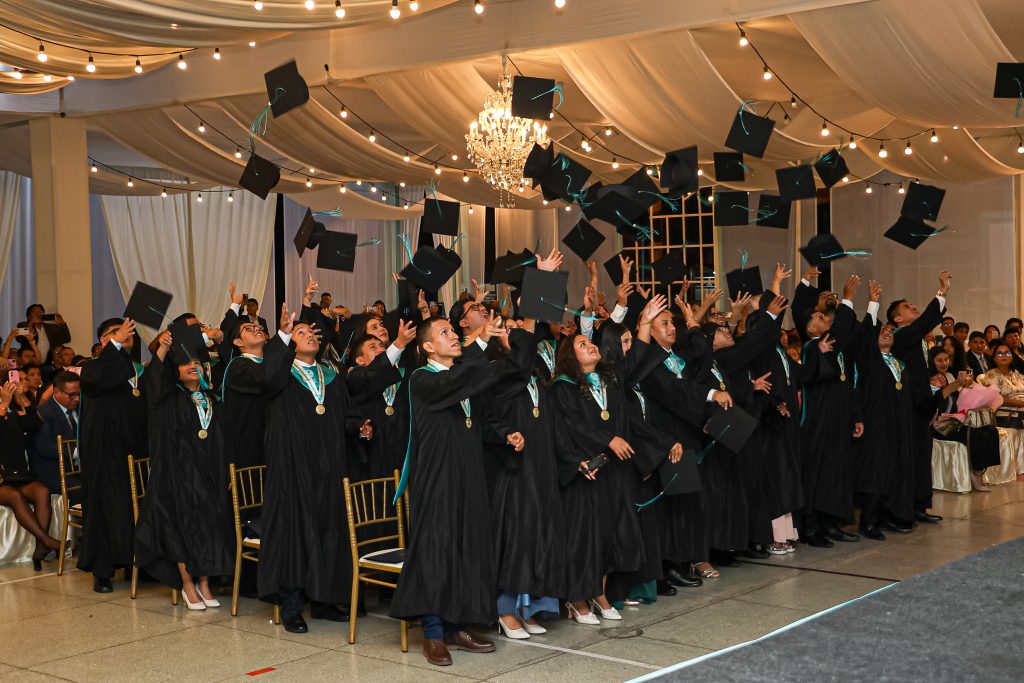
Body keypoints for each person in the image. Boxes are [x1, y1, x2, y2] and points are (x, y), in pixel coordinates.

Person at [389, 312, 528, 666]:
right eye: (445, 332)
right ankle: (433, 633)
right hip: (437, 480)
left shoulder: (462, 379)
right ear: (427, 347)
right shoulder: (422, 379)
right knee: (437, 552)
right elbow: (457, 381)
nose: (453, 336)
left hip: (470, 478)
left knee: (468, 550)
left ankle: (458, 625)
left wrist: (505, 435)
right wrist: (478, 340)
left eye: (453, 331)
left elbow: (480, 422)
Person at [258, 302, 372, 634]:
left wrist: (359, 426)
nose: (308, 334)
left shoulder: (331, 375)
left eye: (311, 331)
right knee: (294, 531)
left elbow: (344, 414)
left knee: (328, 529)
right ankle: (292, 606)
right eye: (301, 331)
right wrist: (282, 335)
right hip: (292, 466)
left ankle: (324, 600)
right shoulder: (281, 373)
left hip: (329, 464)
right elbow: (267, 380)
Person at [133, 327, 233, 610]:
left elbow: (225, 439)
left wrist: (226, 469)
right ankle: (188, 584)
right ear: (175, 371)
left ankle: (205, 583)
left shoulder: (213, 400)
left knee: (209, 528)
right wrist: (163, 349)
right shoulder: (167, 399)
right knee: (181, 530)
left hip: (209, 475)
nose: (192, 366)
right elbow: (153, 383)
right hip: (176, 476)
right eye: (186, 363)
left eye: (197, 362)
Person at [77, 317, 148, 593]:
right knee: (106, 507)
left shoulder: (137, 370)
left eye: (126, 330)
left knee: (134, 507)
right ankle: (102, 570)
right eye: (115, 332)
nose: (123, 333)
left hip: (134, 450)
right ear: (102, 341)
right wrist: (115, 343)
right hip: (104, 451)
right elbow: (101, 380)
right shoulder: (93, 367)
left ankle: (135, 563)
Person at [800, 276, 864, 546]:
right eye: (820, 317)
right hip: (819, 422)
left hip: (838, 419)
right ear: (809, 326)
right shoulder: (810, 347)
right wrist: (846, 298)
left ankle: (832, 523)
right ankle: (811, 528)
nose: (826, 320)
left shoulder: (833, 348)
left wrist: (856, 415)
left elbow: (847, 385)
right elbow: (816, 376)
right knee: (818, 473)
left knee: (837, 473)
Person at [886, 270, 950, 525]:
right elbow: (925, 323)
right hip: (906, 406)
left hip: (921, 404)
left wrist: (932, 391)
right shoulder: (901, 335)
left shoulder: (919, 339)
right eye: (906, 307)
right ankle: (903, 508)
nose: (912, 306)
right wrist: (941, 292)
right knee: (909, 458)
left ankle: (919, 504)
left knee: (922, 457)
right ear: (897, 318)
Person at [853, 281, 914, 540]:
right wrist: (873, 303)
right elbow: (867, 335)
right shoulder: (870, 360)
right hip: (876, 422)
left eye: (890, 330)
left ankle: (887, 515)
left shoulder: (899, 363)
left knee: (893, 469)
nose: (887, 332)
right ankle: (867, 521)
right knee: (875, 471)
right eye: (882, 331)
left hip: (898, 423)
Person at [0, 380, 63, 570]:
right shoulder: (4, 411)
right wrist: (4, 404)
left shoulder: (11, 415)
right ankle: (47, 540)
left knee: (42, 491)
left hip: (18, 476)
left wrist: (22, 398)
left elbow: (34, 424)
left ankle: (40, 548)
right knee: (14, 496)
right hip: (3, 482)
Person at [930, 347, 998, 492]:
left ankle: (983, 470)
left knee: (991, 431)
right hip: (938, 425)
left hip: (955, 420)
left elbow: (958, 399)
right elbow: (935, 401)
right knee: (977, 435)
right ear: (931, 361)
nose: (944, 363)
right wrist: (953, 385)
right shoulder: (929, 379)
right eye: (939, 360)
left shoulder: (949, 376)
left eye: (946, 359)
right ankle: (976, 474)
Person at [28, 370, 80, 495]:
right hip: (54, 472)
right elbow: (45, 447)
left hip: (80, 469)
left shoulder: (81, 409)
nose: (77, 399)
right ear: (56, 392)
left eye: (79, 394)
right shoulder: (43, 412)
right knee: (87, 490)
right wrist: (79, 452)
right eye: (72, 395)